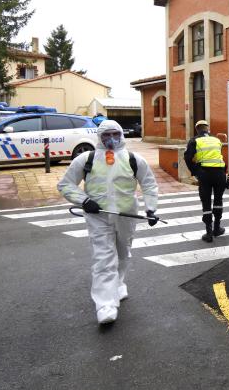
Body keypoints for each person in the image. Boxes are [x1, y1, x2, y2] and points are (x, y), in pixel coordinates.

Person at [57, 120, 159, 325]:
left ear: (121, 134)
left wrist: (151, 208)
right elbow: (65, 185)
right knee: (103, 258)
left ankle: (118, 285)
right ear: (99, 137)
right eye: (106, 135)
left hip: (126, 215)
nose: (111, 139)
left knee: (122, 253)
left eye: (115, 134)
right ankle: (105, 305)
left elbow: (148, 184)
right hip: (98, 217)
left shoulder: (133, 159)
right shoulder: (87, 159)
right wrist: (84, 201)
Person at [184, 120, 229, 243]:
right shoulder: (216, 140)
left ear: (197, 129)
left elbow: (187, 158)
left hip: (204, 174)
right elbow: (219, 156)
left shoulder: (194, 140)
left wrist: (195, 172)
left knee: (206, 202)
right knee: (218, 200)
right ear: (208, 128)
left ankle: (209, 233)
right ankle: (217, 228)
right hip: (219, 173)